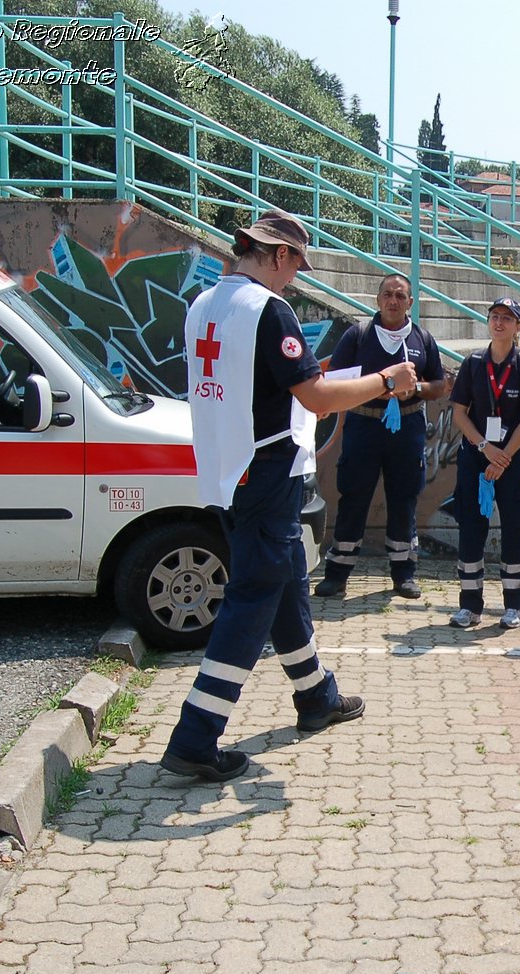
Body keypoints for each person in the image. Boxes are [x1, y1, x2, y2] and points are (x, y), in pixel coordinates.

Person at [162, 209, 420, 783]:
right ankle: (195, 737)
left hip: (228, 472)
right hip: (267, 472)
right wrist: (387, 381)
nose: (297, 275)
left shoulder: (204, 304)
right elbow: (319, 398)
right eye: (296, 262)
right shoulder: (267, 309)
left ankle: (316, 697)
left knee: (284, 584)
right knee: (255, 595)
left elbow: (247, 383)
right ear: (277, 254)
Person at [313, 273, 448, 600]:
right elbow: (336, 382)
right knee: (353, 498)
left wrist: (413, 389)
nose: (393, 301)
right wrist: (377, 386)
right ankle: (337, 574)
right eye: (387, 294)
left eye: (400, 296)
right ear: (378, 299)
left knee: (404, 499)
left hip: (407, 427)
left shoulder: (422, 339)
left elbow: (440, 385)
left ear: (410, 303)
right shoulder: (358, 336)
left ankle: (404, 574)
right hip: (363, 425)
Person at [447, 296, 520, 629]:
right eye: (494, 316)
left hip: (513, 459)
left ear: (518, 326)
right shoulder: (473, 363)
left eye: (507, 317)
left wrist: (502, 458)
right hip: (476, 456)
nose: (499, 322)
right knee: (471, 529)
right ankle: (469, 605)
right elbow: (459, 413)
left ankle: (514, 605)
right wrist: (485, 447)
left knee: (515, 529)